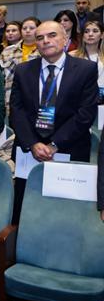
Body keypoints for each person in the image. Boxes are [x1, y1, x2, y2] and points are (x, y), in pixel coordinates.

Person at [9, 20, 98, 223]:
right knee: (26, 210)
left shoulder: (86, 69)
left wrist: (54, 145)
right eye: (40, 37)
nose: (45, 41)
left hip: (69, 148)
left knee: (64, 214)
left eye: (52, 35)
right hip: (29, 152)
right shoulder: (23, 70)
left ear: (65, 39)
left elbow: (85, 113)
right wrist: (33, 144)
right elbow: (16, 110)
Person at [0, 18, 40, 109]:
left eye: (31, 28)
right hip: (12, 97)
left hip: (37, 97)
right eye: (24, 28)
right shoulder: (8, 51)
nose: (27, 31)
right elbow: (2, 77)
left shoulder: (44, 50)